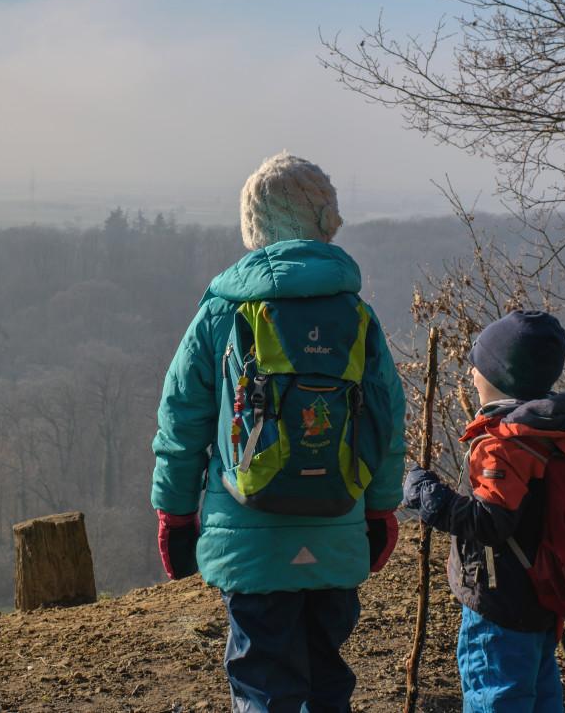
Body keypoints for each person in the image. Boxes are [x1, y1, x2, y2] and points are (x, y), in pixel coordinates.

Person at [150, 152, 406, 713]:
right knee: (326, 678)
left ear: (253, 227)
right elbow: (388, 420)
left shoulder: (222, 313)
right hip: (337, 528)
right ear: (325, 221)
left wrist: (175, 512)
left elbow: (182, 420)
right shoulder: (355, 314)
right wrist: (382, 508)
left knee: (265, 683)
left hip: (249, 540)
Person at [401, 310, 565, 713]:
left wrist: (429, 497)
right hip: (541, 598)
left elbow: (489, 521)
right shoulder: (556, 429)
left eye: (477, 365)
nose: (472, 375)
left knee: (495, 696)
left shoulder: (507, 443)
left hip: (500, 604)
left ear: (501, 375)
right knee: (539, 693)